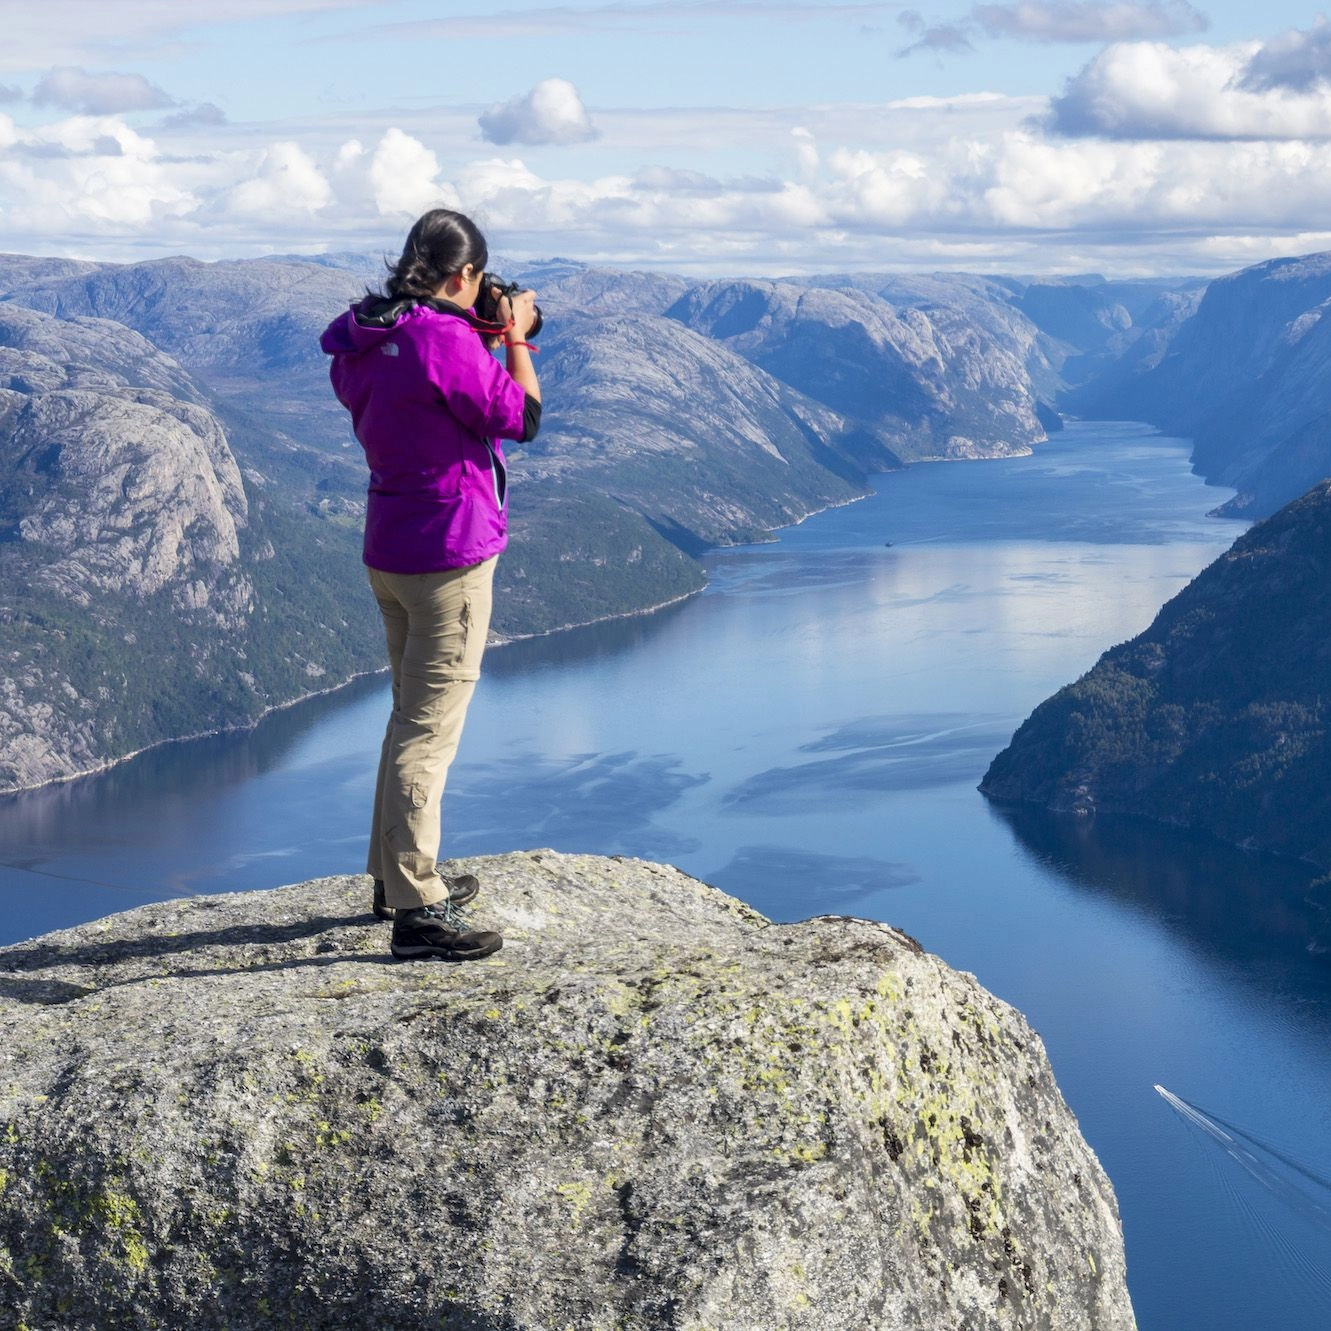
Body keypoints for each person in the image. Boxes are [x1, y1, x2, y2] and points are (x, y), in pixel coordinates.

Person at [320, 209, 541, 961]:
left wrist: (469, 324)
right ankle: (418, 912)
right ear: (463, 274)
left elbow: (422, 387)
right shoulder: (442, 338)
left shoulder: (366, 336)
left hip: (390, 545)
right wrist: (510, 334)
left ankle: (392, 877)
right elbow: (521, 415)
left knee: (406, 715)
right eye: (477, 280)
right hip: (450, 553)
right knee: (428, 730)